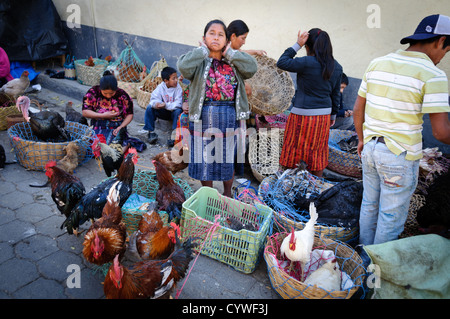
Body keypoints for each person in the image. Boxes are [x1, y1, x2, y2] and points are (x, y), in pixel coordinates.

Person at [353, 14, 450, 246]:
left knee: (369, 206)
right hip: (400, 156)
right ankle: (377, 275)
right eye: (446, 51)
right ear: (440, 41)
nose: (442, 57)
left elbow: (358, 109)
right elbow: (440, 132)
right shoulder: (434, 75)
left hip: (370, 149)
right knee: (390, 218)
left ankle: (363, 262)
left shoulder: (378, 62)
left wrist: (361, 139)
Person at [177, 19, 257, 197]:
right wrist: (202, 50)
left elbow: (252, 68)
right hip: (202, 116)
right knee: (205, 159)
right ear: (204, 38)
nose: (215, 37)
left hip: (228, 115)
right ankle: (208, 194)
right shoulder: (199, 62)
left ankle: (227, 194)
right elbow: (182, 66)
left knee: (226, 158)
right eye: (211, 33)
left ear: (227, 40)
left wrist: (230, 52)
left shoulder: (233, 62)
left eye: (221, 34)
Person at [277, 28, 343, 177]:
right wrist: (332, 116)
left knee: (294, 150)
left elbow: (282, 62)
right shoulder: (336, 67)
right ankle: (314, 191)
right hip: (323, 118)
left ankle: (287, 187)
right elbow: (335, 95)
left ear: (308, 46)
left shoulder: (306, 62)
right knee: (317, 153)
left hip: (301, 116)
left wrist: (297, 44)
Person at [82, 70, 146, 151]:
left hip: (116, 125)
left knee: (113, 149)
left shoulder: (123, 95)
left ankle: (127, 143)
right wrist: (102, 115)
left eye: (111, 93)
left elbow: (130, 114)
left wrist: (120, 127)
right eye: (105, 93)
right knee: (94, 148)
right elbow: (85, 112)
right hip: (98, 124)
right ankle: (124, 144)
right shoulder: (93, 92)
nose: (108, 96)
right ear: (100, 88)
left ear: (116, 89)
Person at [140, 66, 183, 147]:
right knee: (150, 107)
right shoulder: (160, 87)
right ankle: (151, 133)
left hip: (173, 113)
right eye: (173, 78)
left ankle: (174, 136)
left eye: (176, 78)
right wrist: (157, 104)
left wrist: (166, 105)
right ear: (166, 81)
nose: (176, 80)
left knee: (178, 111)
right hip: (163, 112)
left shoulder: (178, 88)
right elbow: (153, 99)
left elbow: (178, 104)